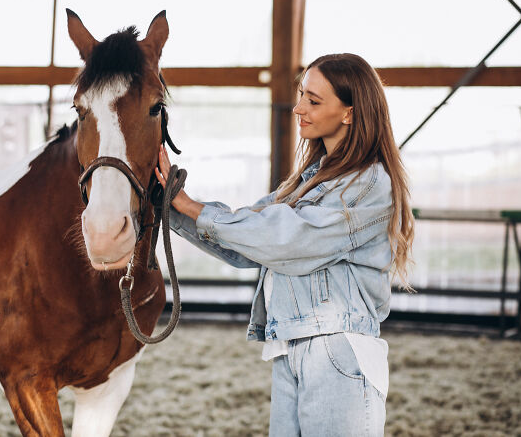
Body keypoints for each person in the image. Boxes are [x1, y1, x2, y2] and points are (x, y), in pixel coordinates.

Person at [155, 53, 414, 436]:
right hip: (290, 346)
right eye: (301, 96)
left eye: (313, 100)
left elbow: (287, 239)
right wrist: (170, 206)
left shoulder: (369, 183)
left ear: (349, 113)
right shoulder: (307, 181)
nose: (298, 108)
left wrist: (191, 206)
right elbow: (248, 241)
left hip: (336, 350)